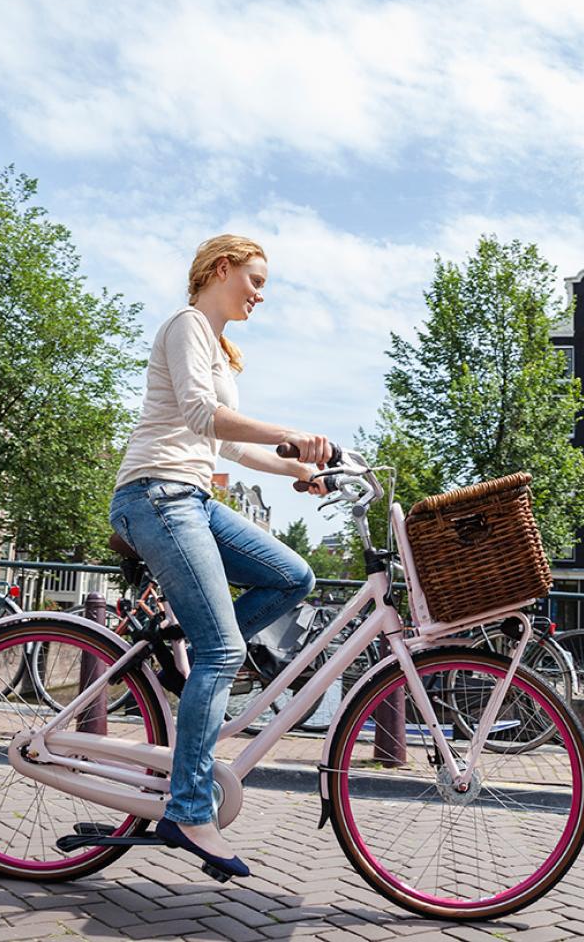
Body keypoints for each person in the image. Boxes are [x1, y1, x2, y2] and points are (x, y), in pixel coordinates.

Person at [108, 234, 332, 879]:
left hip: (193, 497)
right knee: (223, 654)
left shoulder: (221, 349)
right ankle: (187, 808)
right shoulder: (186, 325)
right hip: (155, 495)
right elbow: (203, 417)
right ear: (222, 269)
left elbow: (231, 449)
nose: (261, 294)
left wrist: (300, 468)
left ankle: (194, 628)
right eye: (256, 280)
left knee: (294, 575)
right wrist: (292, 433)